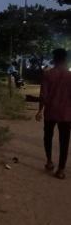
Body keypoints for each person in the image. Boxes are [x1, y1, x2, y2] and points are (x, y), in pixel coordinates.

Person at [35, 48, 71, 179]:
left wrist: (39, 110)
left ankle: (49, 162)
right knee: (64, 141)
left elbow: (43, 95)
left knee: (48, 137)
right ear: (65, 59)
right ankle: (61, 170)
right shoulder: (70, 76)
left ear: (54, 59)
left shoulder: (48, 74)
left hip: (50, 112)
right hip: (66, 114)